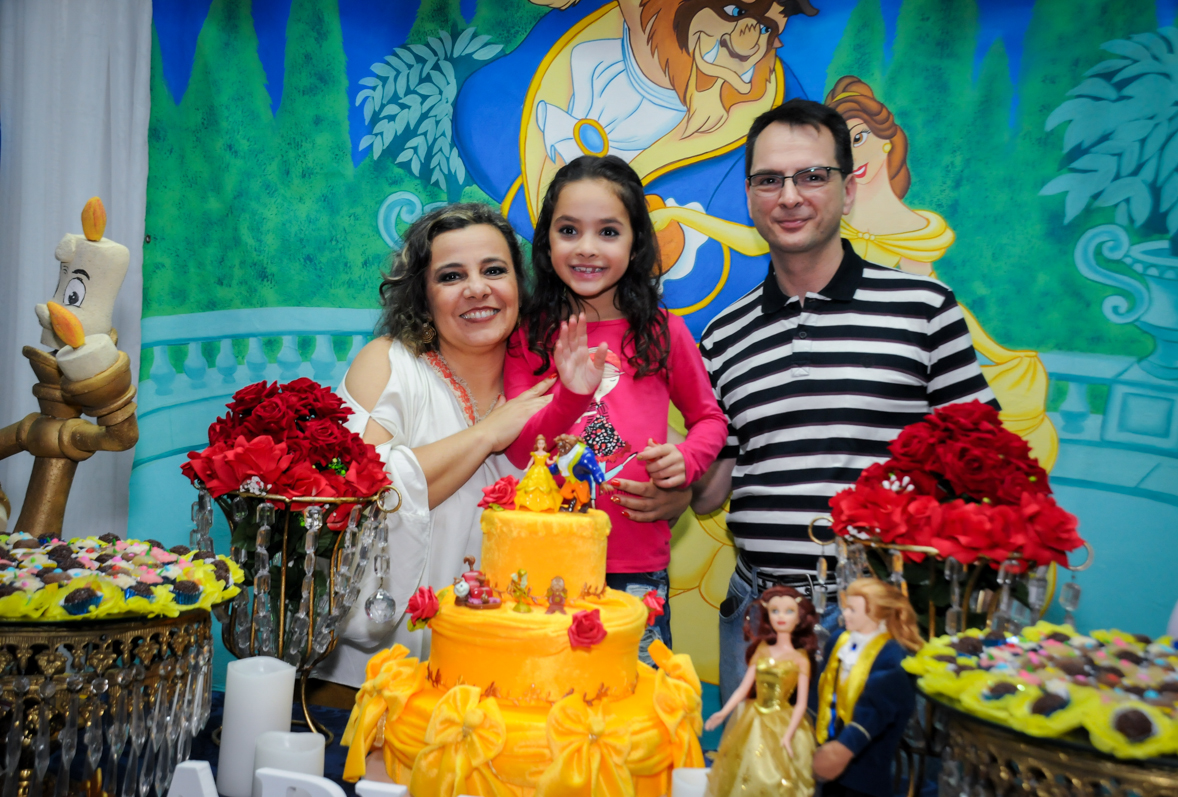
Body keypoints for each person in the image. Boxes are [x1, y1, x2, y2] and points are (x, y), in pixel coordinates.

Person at [690, 98, 996, 709]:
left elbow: (984, 465)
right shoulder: (722, 334)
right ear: (749, 196)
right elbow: (712, 489)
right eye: (769, 179)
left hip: (883, 616)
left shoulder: (924, 306)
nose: (790, 196)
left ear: (849, 189)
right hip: (757, 613)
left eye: (812, 175)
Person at [315, 204, 599, 687]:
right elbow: (357, 494)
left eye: (494, 270)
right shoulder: (390, 365)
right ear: (423, 298)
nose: (477, 288)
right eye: (451, 276)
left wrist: (677, 483)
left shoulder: (550, 392)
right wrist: (488, 433)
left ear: (518, 287)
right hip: (369, 682)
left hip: (500, 682)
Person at [504, 155, 728, 663]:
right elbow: (521, 450)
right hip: (546, 563)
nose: (587, 248)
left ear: (635, 244)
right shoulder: (530, 336)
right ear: (546, 243)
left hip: (635, 566)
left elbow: (710, 420)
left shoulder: (662, 330)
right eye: (568, 230)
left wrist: (688, 462)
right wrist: (573, 394)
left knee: (636, 713)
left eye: (608, 231)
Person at [825, 76, 1057, 470]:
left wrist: (996, 352)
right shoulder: (824, 219)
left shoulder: (911, 229)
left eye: (860, 138)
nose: (853, 153)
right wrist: (685, 215)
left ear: (887, 141)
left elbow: (937, 301)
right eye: (843, 146)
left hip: (889, 369)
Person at [811, 579, 923, 797]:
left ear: (876, 614)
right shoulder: (838, 641)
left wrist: (845, 747)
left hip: (866, 755)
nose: (846, 614)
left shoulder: (892, 654)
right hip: (827, 738)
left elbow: (879, 707)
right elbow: (822, 684)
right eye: (847, 607)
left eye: (853, 609)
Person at [702, 586, 818, 797]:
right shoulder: (762, 649)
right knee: (746, 770)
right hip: (753, 718)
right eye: (775, 611)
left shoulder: (800, 658)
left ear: (800, 617)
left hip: (784, 720)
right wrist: (723, 712)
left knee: (780, 776)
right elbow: (742, 689)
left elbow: (801, 704)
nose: (781, 617)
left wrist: (789, 734)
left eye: (789, 611)